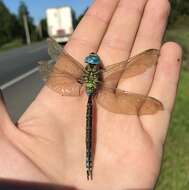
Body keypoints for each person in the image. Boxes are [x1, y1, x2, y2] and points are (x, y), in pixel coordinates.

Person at [0, 0, 182, 189]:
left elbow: (54, 66)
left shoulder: (81, 73)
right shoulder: (101, 75)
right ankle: (88, 164)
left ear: (87, 64)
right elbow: (128, 67)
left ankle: (87, 164)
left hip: (88, 94)